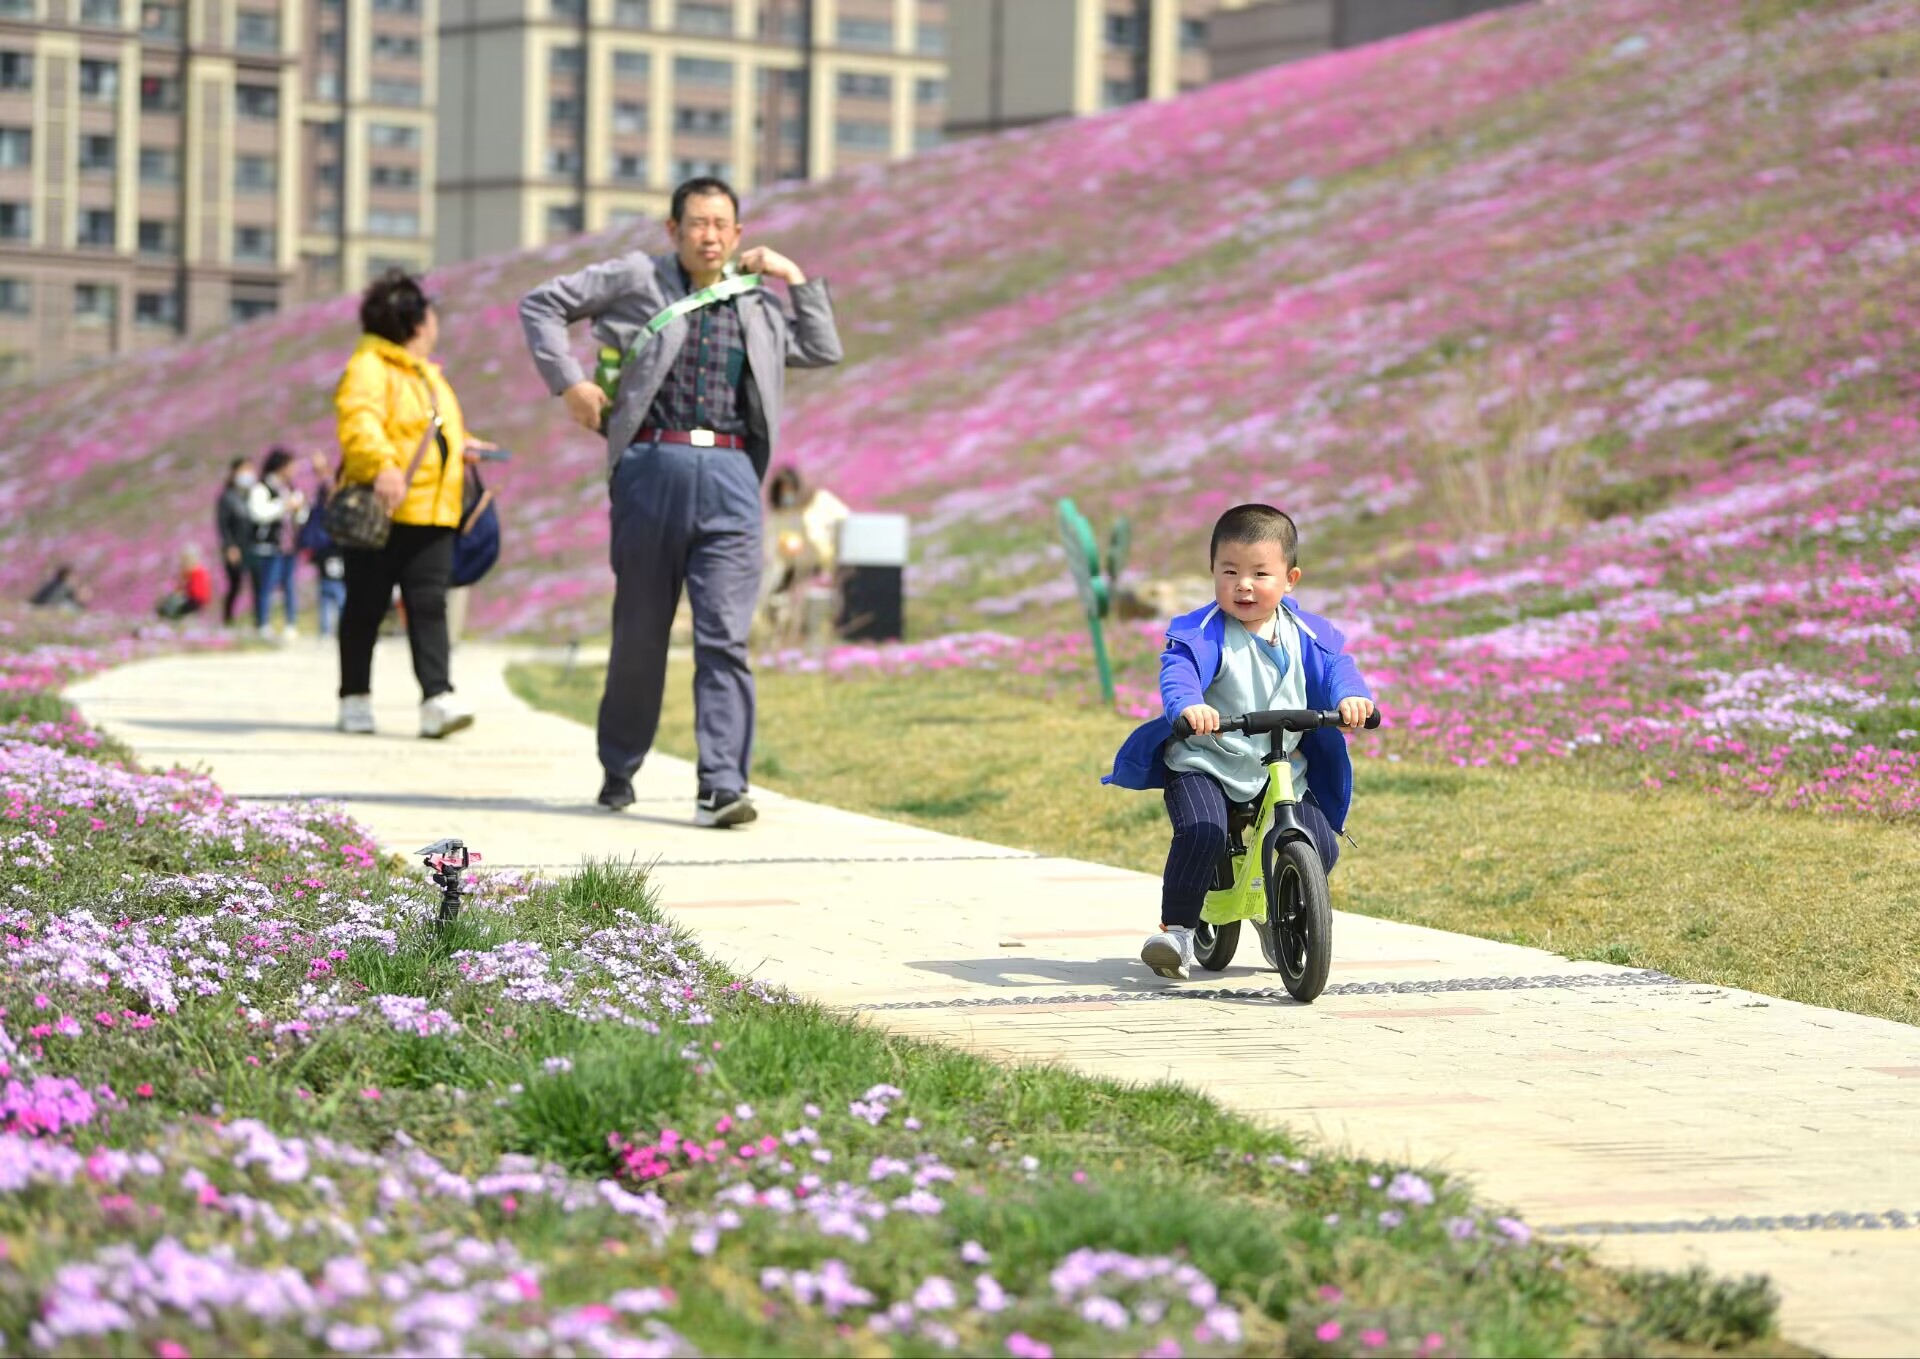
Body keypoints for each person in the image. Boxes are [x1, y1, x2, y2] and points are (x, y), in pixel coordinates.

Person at [518, 175, 843, 826]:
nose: (710, 236)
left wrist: (792, 276)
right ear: (673, 230)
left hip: (731, 475)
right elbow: (541, 304)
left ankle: (721, 785)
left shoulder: (756, 303)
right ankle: (619, 767)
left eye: (722, 225)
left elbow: (821, 347)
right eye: (698, 223)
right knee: (641, 634)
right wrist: (570, 383)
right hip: (650, 468)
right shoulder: (636, 278)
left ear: (739, 234)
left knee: (725, 637)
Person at [1104, 504, 1376, 980]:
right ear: (1212, 573)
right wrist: (1189, 706)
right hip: (1206, 760)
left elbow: (1339, 669)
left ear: (1290, 579)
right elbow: (1179, 673)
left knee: (1319, 841)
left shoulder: (1308, 634)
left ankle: (1280, 910)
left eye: (1259, 573)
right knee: (1202, 829)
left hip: (1281, 764)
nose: (1243, 585)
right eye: (1229, 572)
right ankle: (1178, 931)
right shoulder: (1202, 633)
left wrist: (1352, 698)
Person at [335, 268, 492, 739]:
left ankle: (437, 699)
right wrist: (382, 465)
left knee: (429, 605)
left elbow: (429, 429)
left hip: (432, 510)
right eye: (430, 313)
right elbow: (359, 421)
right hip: (383, 509)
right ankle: (354, 698)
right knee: (365, 607)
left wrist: (463, 444)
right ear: (414, 322)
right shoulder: (369, 366)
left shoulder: (426, 373)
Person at [760, 464, 849, 644]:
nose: (787, 495)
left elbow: (845, 521)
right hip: (792, 565)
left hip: (822, 564)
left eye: (790, 490)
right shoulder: (780, 514)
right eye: (783, 491)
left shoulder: (821, 502)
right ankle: (783, 635)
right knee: (775, 599)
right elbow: (773, 542)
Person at [244, 447, 305, 639]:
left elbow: (301, 518)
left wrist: (298, 510)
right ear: (281, 467)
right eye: (291, 466)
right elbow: (258, 514)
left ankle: (290, 624)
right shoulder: (262, 488)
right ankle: (263, 624)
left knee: (289, 586)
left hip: (288, 546)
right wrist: (283, 506)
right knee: (266, 586)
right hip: (269, 547)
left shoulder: (290, 489)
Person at [300, 450, 349, 640]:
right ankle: (328, 629)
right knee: (331, 587)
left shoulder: (330, 487)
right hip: (327, 548)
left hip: (332, 547)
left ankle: (332, 628)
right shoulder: (323, 491)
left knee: (333, 587)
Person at [216, 457, 253, 625]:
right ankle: (228, 618)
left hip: (250, 546)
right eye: (244, 470)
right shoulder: (227, 497)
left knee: (255, 584)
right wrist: (230, 546)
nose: (248, 474)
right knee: (235, 584)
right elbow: (223, 525)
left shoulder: (249, 494)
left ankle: (257, 620)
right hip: (235, 548)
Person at [155, 545, 212, 619]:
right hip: (192, 600)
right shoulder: (192, 572)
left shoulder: (197, 573)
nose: (183, 564)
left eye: (186, 561)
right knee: (170, 602)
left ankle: (169, 614)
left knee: (172, 605)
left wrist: (183, 585)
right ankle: (166, 613)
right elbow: (180, 589)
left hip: (194, 601)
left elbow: (191, 591)